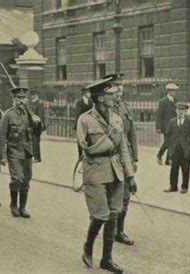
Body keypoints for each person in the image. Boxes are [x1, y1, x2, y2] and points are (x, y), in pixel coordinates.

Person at [77, 77, 137, 273]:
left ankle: (106, 259)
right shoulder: (85, 120)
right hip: (94, 170)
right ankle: (88, 245)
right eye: (110, 94)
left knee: (113, 214)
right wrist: (106, 143)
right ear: (100, 98)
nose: (114, 96)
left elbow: (124, 150)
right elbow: (85, 147)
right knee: (101, 215)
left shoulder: (117, 119)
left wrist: (130, 175)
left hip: (115, 171)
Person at [0, 87, 41, 219]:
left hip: (27, 151)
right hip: (14, 151)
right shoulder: (8, 115)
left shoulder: (29, 114)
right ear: (14, 99)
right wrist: (2, 156)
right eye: (18, 98)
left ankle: (23, 207)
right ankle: (14, 205)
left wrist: (37, 123)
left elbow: (37, 134)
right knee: (17, 179)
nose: (21, 101)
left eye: (23, 98)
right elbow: (1, 137)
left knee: (26, 180)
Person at [106, 74, 138, 247]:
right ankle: (106, 226)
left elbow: (131, 133)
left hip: (126, 157)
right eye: (116, 86)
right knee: (111, 194)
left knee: (126, 195)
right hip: (111, 157)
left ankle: (119, 231)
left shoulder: (126, 108)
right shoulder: (105, 109)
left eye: (121, 86)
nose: (120, 90)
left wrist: (135, 157)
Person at [157, 102, 190, 194]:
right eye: (179, 109)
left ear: (185, 111)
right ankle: (173, 186)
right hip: (175, 150)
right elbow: (168, 138)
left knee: (186, 169)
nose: (181, 112)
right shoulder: (172, 122)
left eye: (183, 110)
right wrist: (160, 154)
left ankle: (184, 187)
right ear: (176, 110)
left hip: (186, 150)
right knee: (174, 168)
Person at [156, 82, 178, 165]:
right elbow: (159, 115)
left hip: (174, 125)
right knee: (168, 142)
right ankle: (160, 155)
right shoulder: (163, 101)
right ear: (169, 91)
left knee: (171, 142)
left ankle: (167, 159)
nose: (175, 93)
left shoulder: (176, 101)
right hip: (166, 126)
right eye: (174, 91)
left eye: (176, 91)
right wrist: (158, 127)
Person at [74, 87, 93, 159]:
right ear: (84, 93)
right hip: (81, 122)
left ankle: (88, 153)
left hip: (88, 123)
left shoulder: (90, 101)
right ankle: (80, 155)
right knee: (80, 139)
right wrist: (77, 125)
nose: (89, 94)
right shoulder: (79, 102)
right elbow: (78, 114)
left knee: (88, 138)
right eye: (88, 92)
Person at [30, 88, 46, 163]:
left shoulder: (39, 102)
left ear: (36, 95)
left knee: (36, 140)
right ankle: (34, 156)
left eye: (34, 94)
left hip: (37, 124)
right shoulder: (32, 102)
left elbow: (40, 114)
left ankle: (37, 157)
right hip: (32, 124)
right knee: (33, 140)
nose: (32, 96)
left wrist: (41, 123)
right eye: (32, 95)